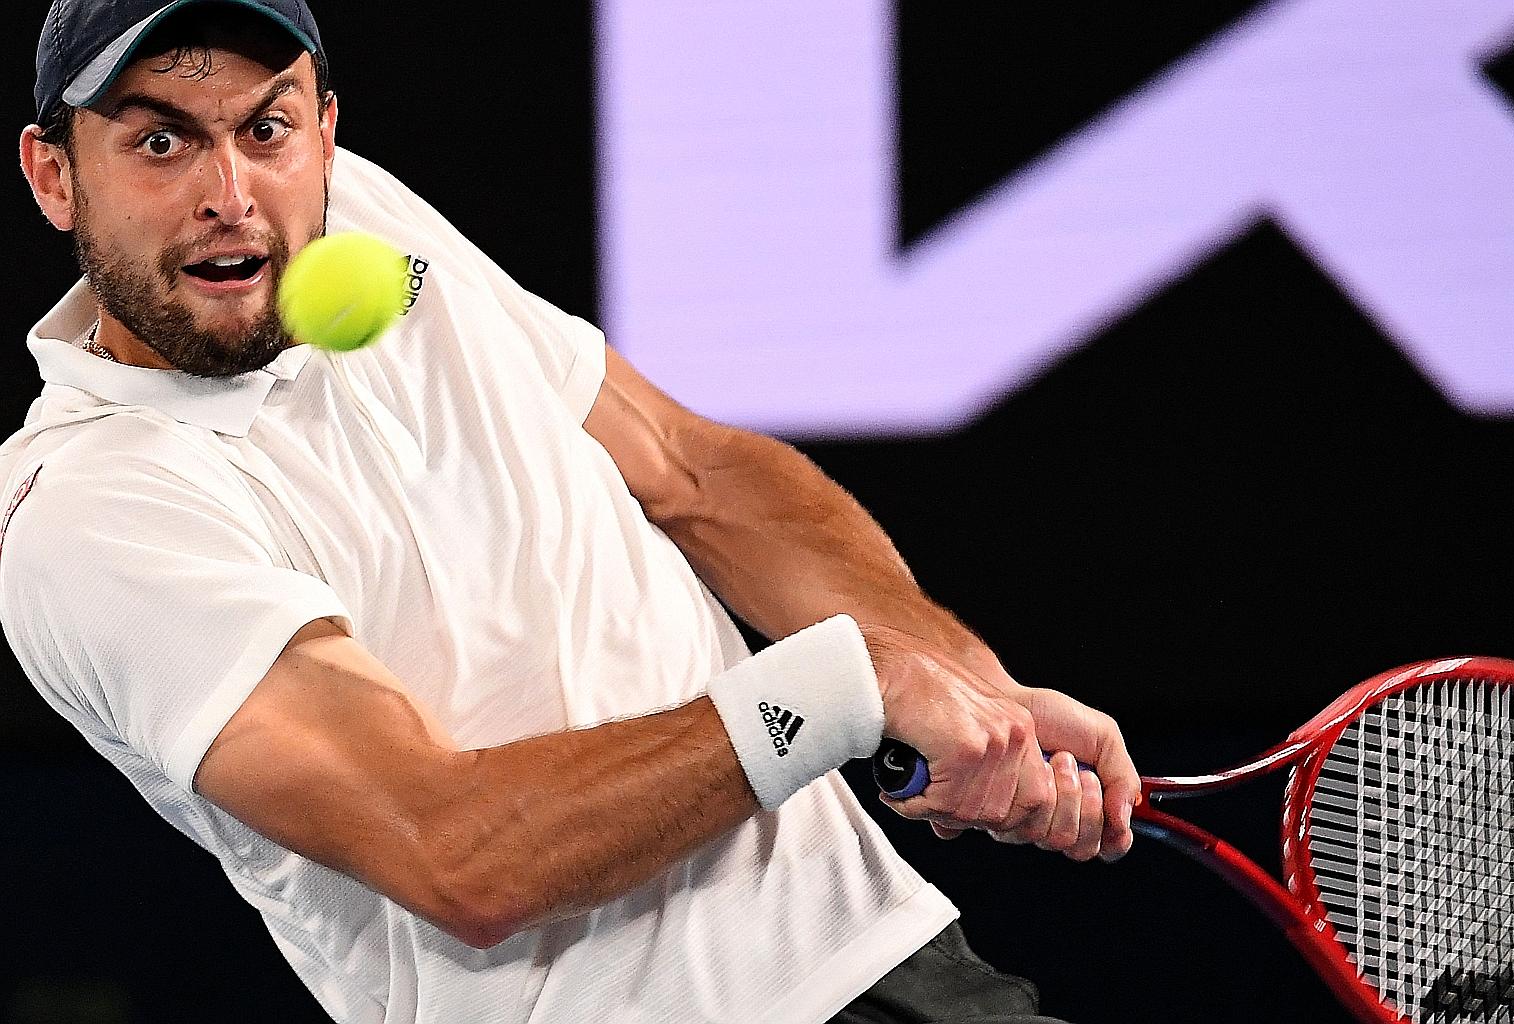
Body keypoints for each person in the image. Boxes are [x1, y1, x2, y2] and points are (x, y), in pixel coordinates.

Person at [1, 2, 1141, 1022]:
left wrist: (971, 693)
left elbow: (694, 475)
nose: (230, 194)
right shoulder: (89, 515)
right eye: (160, 140)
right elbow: (457, 852)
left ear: (326, 133)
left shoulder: (360, 220)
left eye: (267, 128)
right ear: (55, 176)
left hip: (890, 957)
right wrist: (855, 686)